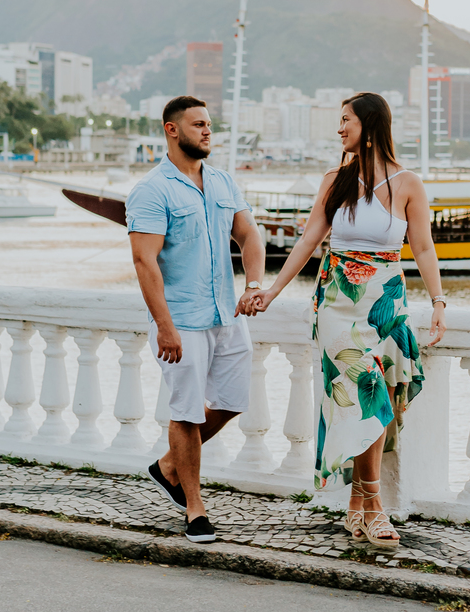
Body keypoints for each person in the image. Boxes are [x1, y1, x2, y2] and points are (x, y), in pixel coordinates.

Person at [243, 92, 446, 548]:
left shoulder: (408, 183)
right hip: (337, 302)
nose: (339, 129)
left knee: (374, 400)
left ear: (370, 125)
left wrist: (438, 301)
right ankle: (374, 507)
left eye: (346, 121)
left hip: (386, 303)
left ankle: (357, 506)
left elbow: (424, 247)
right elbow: (310, 238)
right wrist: (272, 291)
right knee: (363, 392)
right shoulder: (335, 179)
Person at [127, 95, 267, 543]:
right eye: (198, 125)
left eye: (210, 124)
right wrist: (164, 325)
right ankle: (194, 508)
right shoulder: (152, 190)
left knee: (231, 400)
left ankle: (168, 466)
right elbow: (144, 261)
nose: (208, 131)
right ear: (172, 130)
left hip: (225, 314)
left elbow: (249, 235)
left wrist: (252, 285)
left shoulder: (223, 182)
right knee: (185, 411)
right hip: (181, 320)